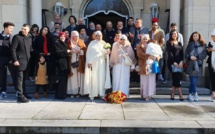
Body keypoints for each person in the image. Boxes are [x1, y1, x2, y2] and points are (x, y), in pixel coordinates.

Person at [84, 31, 111, 101]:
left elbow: (105, 55)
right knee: (94, 78)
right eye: (97, 35)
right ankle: (93, 93)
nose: (99, 37)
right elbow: (88, 54)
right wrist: (89, 62)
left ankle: (101, 93)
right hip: (94, 63)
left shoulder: (104, 43)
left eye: (100, 35)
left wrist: (107, 53)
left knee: (101, 77)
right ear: (95, 36)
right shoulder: (92, 43)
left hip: (101, 63)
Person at [11, 24, 33, 102]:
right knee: (19, 79)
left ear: (29, 30)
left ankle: (24, 94)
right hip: (19, 62)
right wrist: (15, 60)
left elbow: (31, 49)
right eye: (22, 29)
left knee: (23, 79)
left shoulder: (30, 37)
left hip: (27, 62)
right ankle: (20, 96)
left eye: (25, 29)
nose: (23, 30)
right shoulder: (17, 37)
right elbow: (13, 49)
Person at [136, 34, 161, 101]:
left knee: (151, 80)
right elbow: (140, 54)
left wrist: (156, 56)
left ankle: (149, 94)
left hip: (152, 65)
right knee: (144, 81)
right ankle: (144, 95)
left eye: (146, 39)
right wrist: (148, 56)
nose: (145, 40)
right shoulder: (139, 46)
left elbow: (158, 53)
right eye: (144, 39)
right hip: (144, 65)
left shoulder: (152, 45)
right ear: (141, 39)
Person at [185, 31, 207, 101]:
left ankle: (190, 94)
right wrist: (190, 57)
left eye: (196, 36)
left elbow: (204, 54)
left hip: (198, 64)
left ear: (199, 36)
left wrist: (197, 57)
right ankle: (195, 93)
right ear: (192, 37)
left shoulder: (203, 45)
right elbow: (186, 53)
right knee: (193, 81)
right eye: (194, 36)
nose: (195, 37)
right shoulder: (190, 44)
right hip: (191, 65)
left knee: (194, 81)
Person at [67, 31, 86, 98]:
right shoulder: (69, 42)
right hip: (71, 61)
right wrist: (70, 52)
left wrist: (80, 51)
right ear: (72, 36)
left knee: (79, 76)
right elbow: (67, 50)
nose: (76, 37)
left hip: (80, 61)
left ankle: (78, 92)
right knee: (73, 77)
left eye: (77, 36)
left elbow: (84, 50)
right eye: (74, 36)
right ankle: (72, 92)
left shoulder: (81, 41)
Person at [129, 18, 149, 83]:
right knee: (133, 63)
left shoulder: (145, 29)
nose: (136, 23)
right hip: (133, 49)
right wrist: (131, 37)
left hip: (141, 49)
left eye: (137, 22)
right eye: (136, 22)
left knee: (140, 63)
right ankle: (132, 78)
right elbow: (128, 38)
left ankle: (139, 78)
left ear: (141, 23)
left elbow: (148, 39)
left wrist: (142, 37)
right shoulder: (132, 29)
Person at [166, 30, 184, 101]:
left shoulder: (179, 43)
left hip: (179, 63)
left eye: (175, 34)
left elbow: (181, 53)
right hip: (171, 62)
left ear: (177, 35)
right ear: (171, 35)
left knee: (176, 78)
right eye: (173, 34)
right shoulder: (169, 43)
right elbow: (170, 53)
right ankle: (180, 93)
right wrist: (174, 62)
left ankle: (172, 93)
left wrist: (181, 61)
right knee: (176, 77)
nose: (174, 35)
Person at [52, 32, 70, 99]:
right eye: (61, 36)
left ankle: (61, 94)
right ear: (59, 37)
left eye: (64, 36)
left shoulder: (64, 43)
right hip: (59, 64)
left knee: (63, 80)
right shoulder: (57, 43)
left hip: (64, 64)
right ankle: (60, 95)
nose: (63, 37)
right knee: (60, 81)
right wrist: (66, 52)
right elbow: (58, 53)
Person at [0, 22, 16, 99]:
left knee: (14, 74)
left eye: (12, 29)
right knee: (2, 76)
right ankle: (3, 91)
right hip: (1, 58)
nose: (11, 30)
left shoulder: (13, 37)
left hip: (10, 58)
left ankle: (17, 91)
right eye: (10, 28)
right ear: (5, 28)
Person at [206, 29, 215, 102]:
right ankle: (213, 95)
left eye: (214, 36)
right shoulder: (210, 43)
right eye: (212, 36)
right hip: (211, 63)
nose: (213, 38)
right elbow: (208, 53)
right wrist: (209, 50)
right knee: (212, 79)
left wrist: (213, 50)